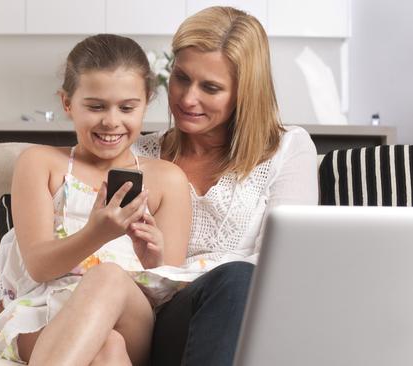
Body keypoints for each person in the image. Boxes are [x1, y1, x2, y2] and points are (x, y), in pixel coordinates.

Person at [0, 33, 192, 365]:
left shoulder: (167, 180)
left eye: (127, 107)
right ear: (67, 103)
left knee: (109, 277)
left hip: (131, 317)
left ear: (146, 102)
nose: (111, 121)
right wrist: (96, 233)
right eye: (96, 106)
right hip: (45, 312)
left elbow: (171, 294)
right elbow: (40, 266)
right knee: (108, 349)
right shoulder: (40, 164)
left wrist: (155, 258)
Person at [131, 6, 318, 365]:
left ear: (245, 93)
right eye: (182, 77)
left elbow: (282, 265)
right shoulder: (139, 154)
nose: (187, 99)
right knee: (233, 277)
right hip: (150, 324)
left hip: (241, 319)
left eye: (210, 87)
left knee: (237, 279)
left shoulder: (287, 150)